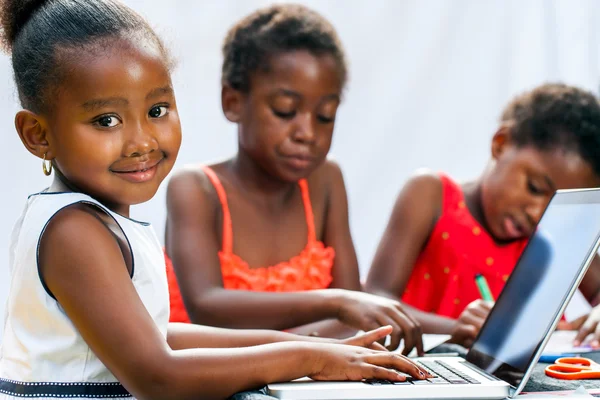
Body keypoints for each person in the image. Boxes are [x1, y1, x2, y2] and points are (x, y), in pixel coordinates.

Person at [0, 1, 430, 398]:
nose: (142, 141)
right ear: (38, 135)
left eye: (156, 110)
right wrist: (310, 358)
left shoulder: (92, 220)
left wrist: (312, 346)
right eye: (106, 120)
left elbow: (164, 335)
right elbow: (157, 376)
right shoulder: (73, 230)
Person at [164, 4, 423, 353]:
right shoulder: (195, 190)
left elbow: (353, 318)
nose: (307, 133)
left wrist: (342, 314)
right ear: (233, 101)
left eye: (325, 116)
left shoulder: (326, 181)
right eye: (285, 111)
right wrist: (333, 304)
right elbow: (207, 308)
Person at [366, 83, 600, 348]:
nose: (537, 213)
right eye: (534, 188)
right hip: (427, 373)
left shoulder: (554, 233)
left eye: (555, 205)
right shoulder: (430, 196)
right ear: (501, 144)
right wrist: (455, 329)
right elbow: (376, 298)